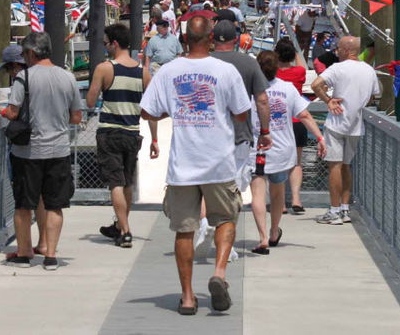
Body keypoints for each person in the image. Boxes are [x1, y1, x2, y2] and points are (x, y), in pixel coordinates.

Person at [140, 17, 251, 315]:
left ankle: (188, 297)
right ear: (211, 39)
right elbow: (242, 114)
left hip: (183, 165)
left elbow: (146, 110)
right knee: (226, 218)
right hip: (219, 162)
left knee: (184, 230)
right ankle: (219, 273)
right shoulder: (226, 71)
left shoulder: (169, 71)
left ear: (185, 39)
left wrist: (176, 111)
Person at [0, 33, 82, 271]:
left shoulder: (23, 78)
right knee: (55, 205)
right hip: (59, 150)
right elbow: (76, 117)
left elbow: (13, 113)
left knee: (24, 205)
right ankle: (51, 255)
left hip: (28, 152)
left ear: (32, 53)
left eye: (24, 54)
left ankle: (25, 254)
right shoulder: (68, 77)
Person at [87, 23, 159, 249]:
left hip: (110, 131)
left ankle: (125, 231)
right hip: (132, 133)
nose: (106, 47)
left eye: (106, 43)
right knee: (127, 182)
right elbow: (151, 110)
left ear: (115, 44)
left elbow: (90, 102)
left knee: (115, 184)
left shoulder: (105, 68)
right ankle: (120, 225)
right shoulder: (143, 72)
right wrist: (155, 139)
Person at [249, 51, 325, 254]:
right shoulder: (288, 89)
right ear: (277, 68)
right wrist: (320, 138)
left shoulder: (248, 90)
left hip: (256, 149)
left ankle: (263, 237)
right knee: (277, 193)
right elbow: (305, 115)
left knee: (257, 194)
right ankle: (274, 231)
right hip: (282, 150)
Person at [209, 20, 271, 254]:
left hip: (207, 134)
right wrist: (265, 132)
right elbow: (262, 100)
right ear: (236, 40)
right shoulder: (248, 63)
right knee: (232, 189)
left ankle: (205, 227)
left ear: (213, 39)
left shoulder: (205, 62)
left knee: (207, 186)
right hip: (239, 135)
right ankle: (227, 243)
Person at [310, 36, 380, 225]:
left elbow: (315, 85)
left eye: (338, 48)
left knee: (334, 165)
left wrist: (328, 100)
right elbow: (375, 95)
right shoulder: (368, 70)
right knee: (347, 166)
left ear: (346, 49)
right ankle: (344, 208)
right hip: (356, 125)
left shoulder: (338, 68)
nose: (336, 51)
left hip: (337, 122)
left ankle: (334, 210)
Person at [274, 38, 308, 214]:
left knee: (278, 163)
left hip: (278, 124)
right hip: (297, 122)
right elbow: (303, 65)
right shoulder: (299, 72)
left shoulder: (272, 74)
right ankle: (296, 198)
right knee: (296, 163)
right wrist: (296, 51)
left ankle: (281, 204)